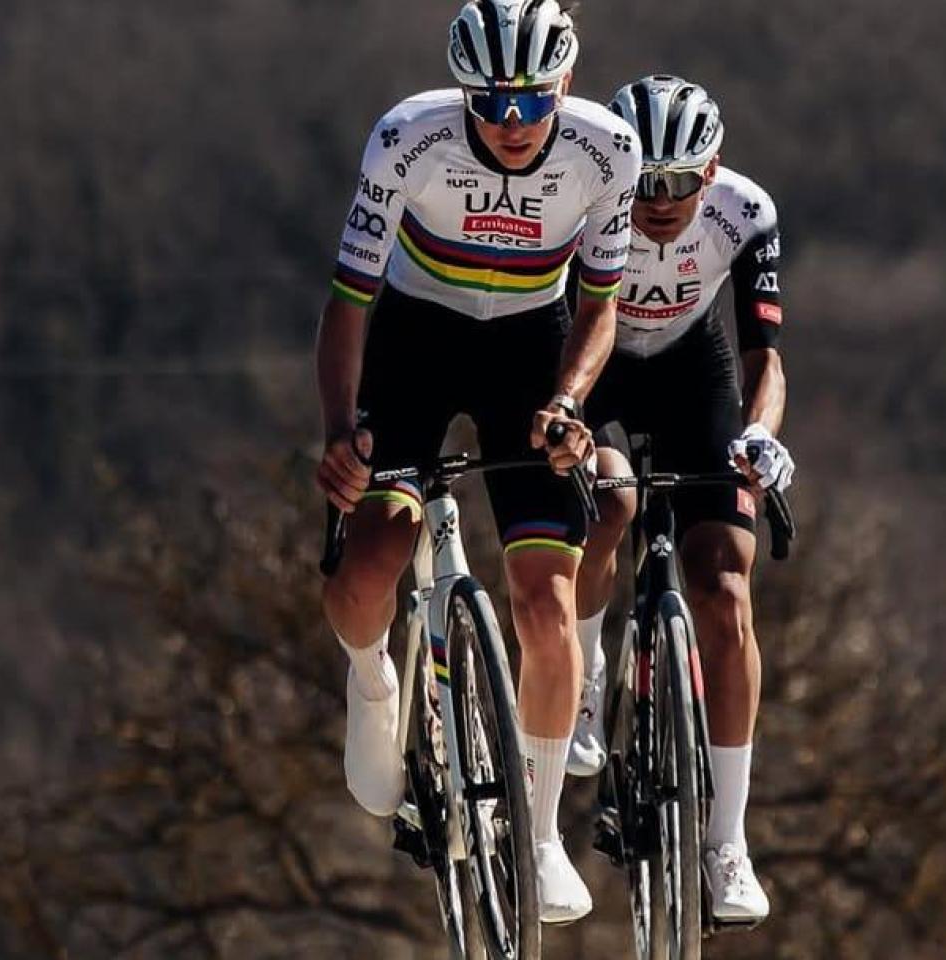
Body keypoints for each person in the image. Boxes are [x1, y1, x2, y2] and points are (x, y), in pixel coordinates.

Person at [314, 0, 640, 924]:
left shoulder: (609, 151)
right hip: (415, 342)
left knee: (544, 601)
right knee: (372, 558)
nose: (511, 122)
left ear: (564, 86)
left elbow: (600, 307)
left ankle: (538, 835)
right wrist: (339, 431)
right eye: (490, 102)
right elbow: (349, 301)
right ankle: (373, 675)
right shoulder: (407, 138)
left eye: (532, 102)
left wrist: (568, 403)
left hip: (529, 351)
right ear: (463, 93)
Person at [567, 75, 794, 924]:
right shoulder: (583, 197)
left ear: (713, 172)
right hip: (594, 365)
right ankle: (585, 670)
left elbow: (766, 356)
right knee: (612, 503)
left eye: (679, 182)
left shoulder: (746, 213)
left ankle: (727, 840)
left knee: (725, 590)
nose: (659, 201)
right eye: (645, 182)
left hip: (693, 373)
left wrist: (761, 434)